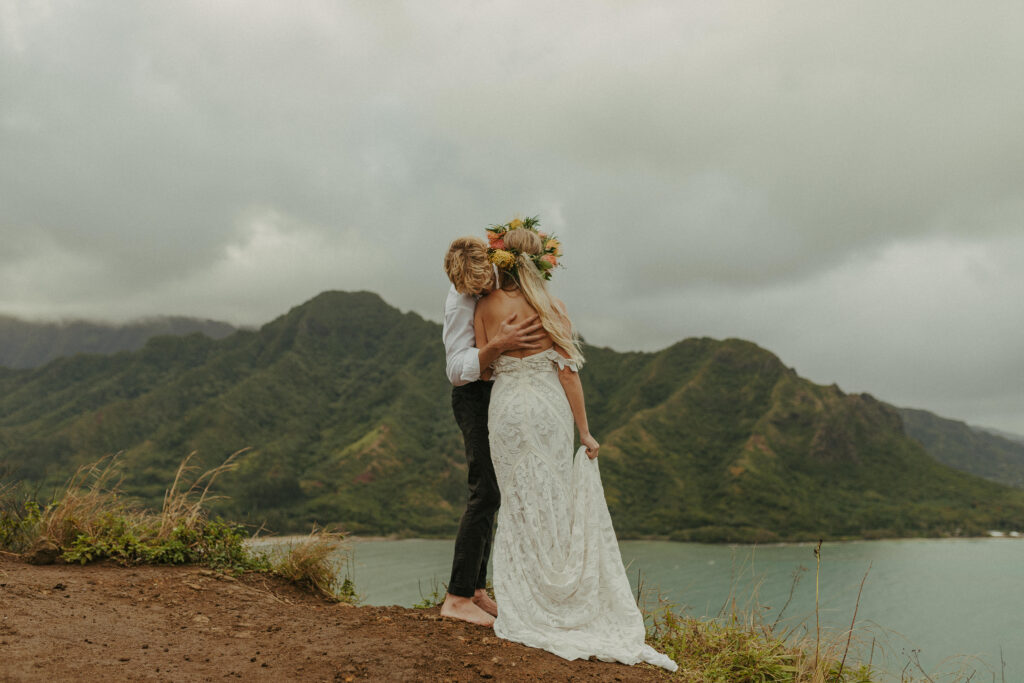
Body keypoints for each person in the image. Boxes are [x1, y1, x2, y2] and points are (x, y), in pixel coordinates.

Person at [473, 219, 678, 672]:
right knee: (553, 495)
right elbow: (568, 373)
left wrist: (505, 351)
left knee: (518, 499)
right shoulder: (552, 307)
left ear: (501, 260)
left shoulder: (485, 306)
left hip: (506, 410)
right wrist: (585, 432)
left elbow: (484, 369)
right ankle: (560, 591)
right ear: (542, 264)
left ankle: (525, 598)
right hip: (548, 409)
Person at [440, 236, 546, 627]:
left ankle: (476, 588)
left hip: (499, 395)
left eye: (488, 282)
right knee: (483, 491)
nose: (485, 290)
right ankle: (456, 597)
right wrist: (498, 345)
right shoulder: (457, 302)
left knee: (496, 492)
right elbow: (454, 369)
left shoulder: (502, 266)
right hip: (472, 399)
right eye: (476, 289)